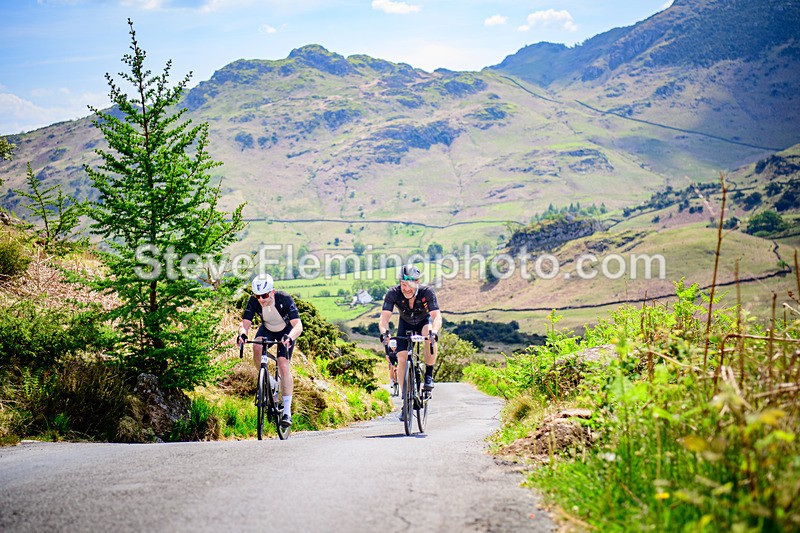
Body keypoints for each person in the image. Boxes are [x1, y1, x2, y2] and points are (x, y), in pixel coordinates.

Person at [237, 274, 303, 428]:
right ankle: (271, 383)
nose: (261, 299)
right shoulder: (254, 301)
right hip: (267, 328)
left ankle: (287, 411)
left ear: (272, 292)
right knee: (257, 347)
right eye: (257, 296)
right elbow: (244, 324)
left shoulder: (284, 298)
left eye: (265, 295)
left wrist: (290, 338)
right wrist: (242, 334)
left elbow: (298, 325)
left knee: (283, 364)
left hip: (285, 331)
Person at [378, 264, 442, 417]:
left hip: (423, 322)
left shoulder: (427, 293)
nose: (406, 289)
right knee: (401, 358)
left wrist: (434, 331)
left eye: (410, 285)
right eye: (403, 284)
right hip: (405, 324)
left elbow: (436, 316)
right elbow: (384, 318)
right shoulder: (393, 293)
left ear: (417, 282)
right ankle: (406, 400)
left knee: (429, 335)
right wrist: (384, 332)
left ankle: (429, 375)